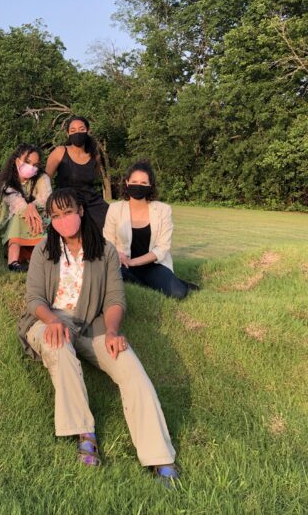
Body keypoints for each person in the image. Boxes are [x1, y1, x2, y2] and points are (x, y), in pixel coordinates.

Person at [17, 187, 178, 482]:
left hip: (94, 324)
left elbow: (115, 300)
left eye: (68, 212)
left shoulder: (105, 252)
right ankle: (84, 432)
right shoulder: (44, 250)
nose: (63, 220)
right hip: (49, 320)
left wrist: (113, 332)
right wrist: (53, 321)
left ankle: (159, 456)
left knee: (128, 364)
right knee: (59, 345)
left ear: (80, 211)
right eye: (55, 216)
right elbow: (34, 300)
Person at [103, 160, 198, 299]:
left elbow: (162, 248)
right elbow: (107, 241)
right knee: (110, 281)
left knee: (178, 293)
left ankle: (175, 283)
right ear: (127, 183)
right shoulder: (115, 209)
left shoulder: (163, 210)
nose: (138, 186)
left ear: (150, 186)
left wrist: (133, 262)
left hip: (152, 264)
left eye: (143, 183)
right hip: (123, 264)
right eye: (134, 181)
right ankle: (151, 282)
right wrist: (120, 256)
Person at [0, 144, 52, 272]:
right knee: (18, 217)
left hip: (38, 213)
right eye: (28, 162)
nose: (31, 167)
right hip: (13, 215)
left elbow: (46, 197)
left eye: (35, 165)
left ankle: (45, 254)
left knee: (45, 216)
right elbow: (15, 201)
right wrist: (28, 208)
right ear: (17, 160)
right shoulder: (7, 181)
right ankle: (13, 262)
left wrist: (32, 206)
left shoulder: (43, 177)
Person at [45, 116, 109, 229]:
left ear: (88, 131)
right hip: (67, 202)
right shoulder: (60, 152)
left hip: (92, 202)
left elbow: (94, 177)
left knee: (112, 219)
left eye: (81, 129)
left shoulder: (95, 155)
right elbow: (45, 180)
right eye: (73, 130)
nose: (78, 133)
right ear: (67, 133)